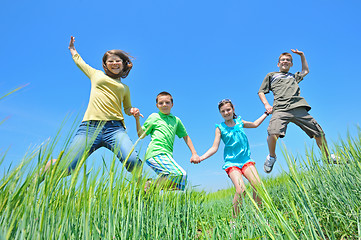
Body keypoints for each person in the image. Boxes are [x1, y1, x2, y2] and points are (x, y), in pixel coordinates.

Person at [45, 36, 142, 175]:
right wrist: (72, 49)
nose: (114, 63)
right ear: (105, 64)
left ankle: (144, 190)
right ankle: (43, 173)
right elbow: (80, 63)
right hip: (90, 128)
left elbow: (126, 108)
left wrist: (132, 110)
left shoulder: (125, 87)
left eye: (117, 61)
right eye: (110, 61)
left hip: (115, 129)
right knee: (67, 168)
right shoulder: (96, 74)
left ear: (123, 63)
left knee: (133, 161)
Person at [258, 49, 336, 174]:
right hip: (280, 109)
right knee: (272, 133)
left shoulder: (293, 77)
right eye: (282, 60)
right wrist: (267, 104)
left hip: (298, 107)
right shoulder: (271, 76)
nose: (285, 61)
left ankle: (327, 157)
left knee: (319, 133)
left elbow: (306, 71)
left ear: (291, 64)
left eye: (288, 60)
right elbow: (261, 91)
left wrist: (302, 55)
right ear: (278, 64)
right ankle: (272, 157)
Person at [192, 99, 267, 218]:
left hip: (246, 160)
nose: (226, 113)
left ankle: (260, 216)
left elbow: (255, 124)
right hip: (232, 163)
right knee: (241, 190)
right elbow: (214, 147)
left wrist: (266, 113)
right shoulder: (220, 128)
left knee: (258, 185)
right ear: (220, 113)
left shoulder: (240, 122)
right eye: (223, 111)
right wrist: (201, 158)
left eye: (228, 110)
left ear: (233, 109)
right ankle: (234, 221)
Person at [134, 91, 200, 191]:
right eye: (161, 103)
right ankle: (149, 185)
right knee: (181, 174)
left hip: (167, 155)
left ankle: (149, 187)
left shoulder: (176, 120)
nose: (164, 105)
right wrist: (137, 120)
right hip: (155, 153)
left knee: (180, 182)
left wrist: (194, 153)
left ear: (172, 104)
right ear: (157, 105)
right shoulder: (154, 117)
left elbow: (185, 136)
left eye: (167, 102)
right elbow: (141, 135)